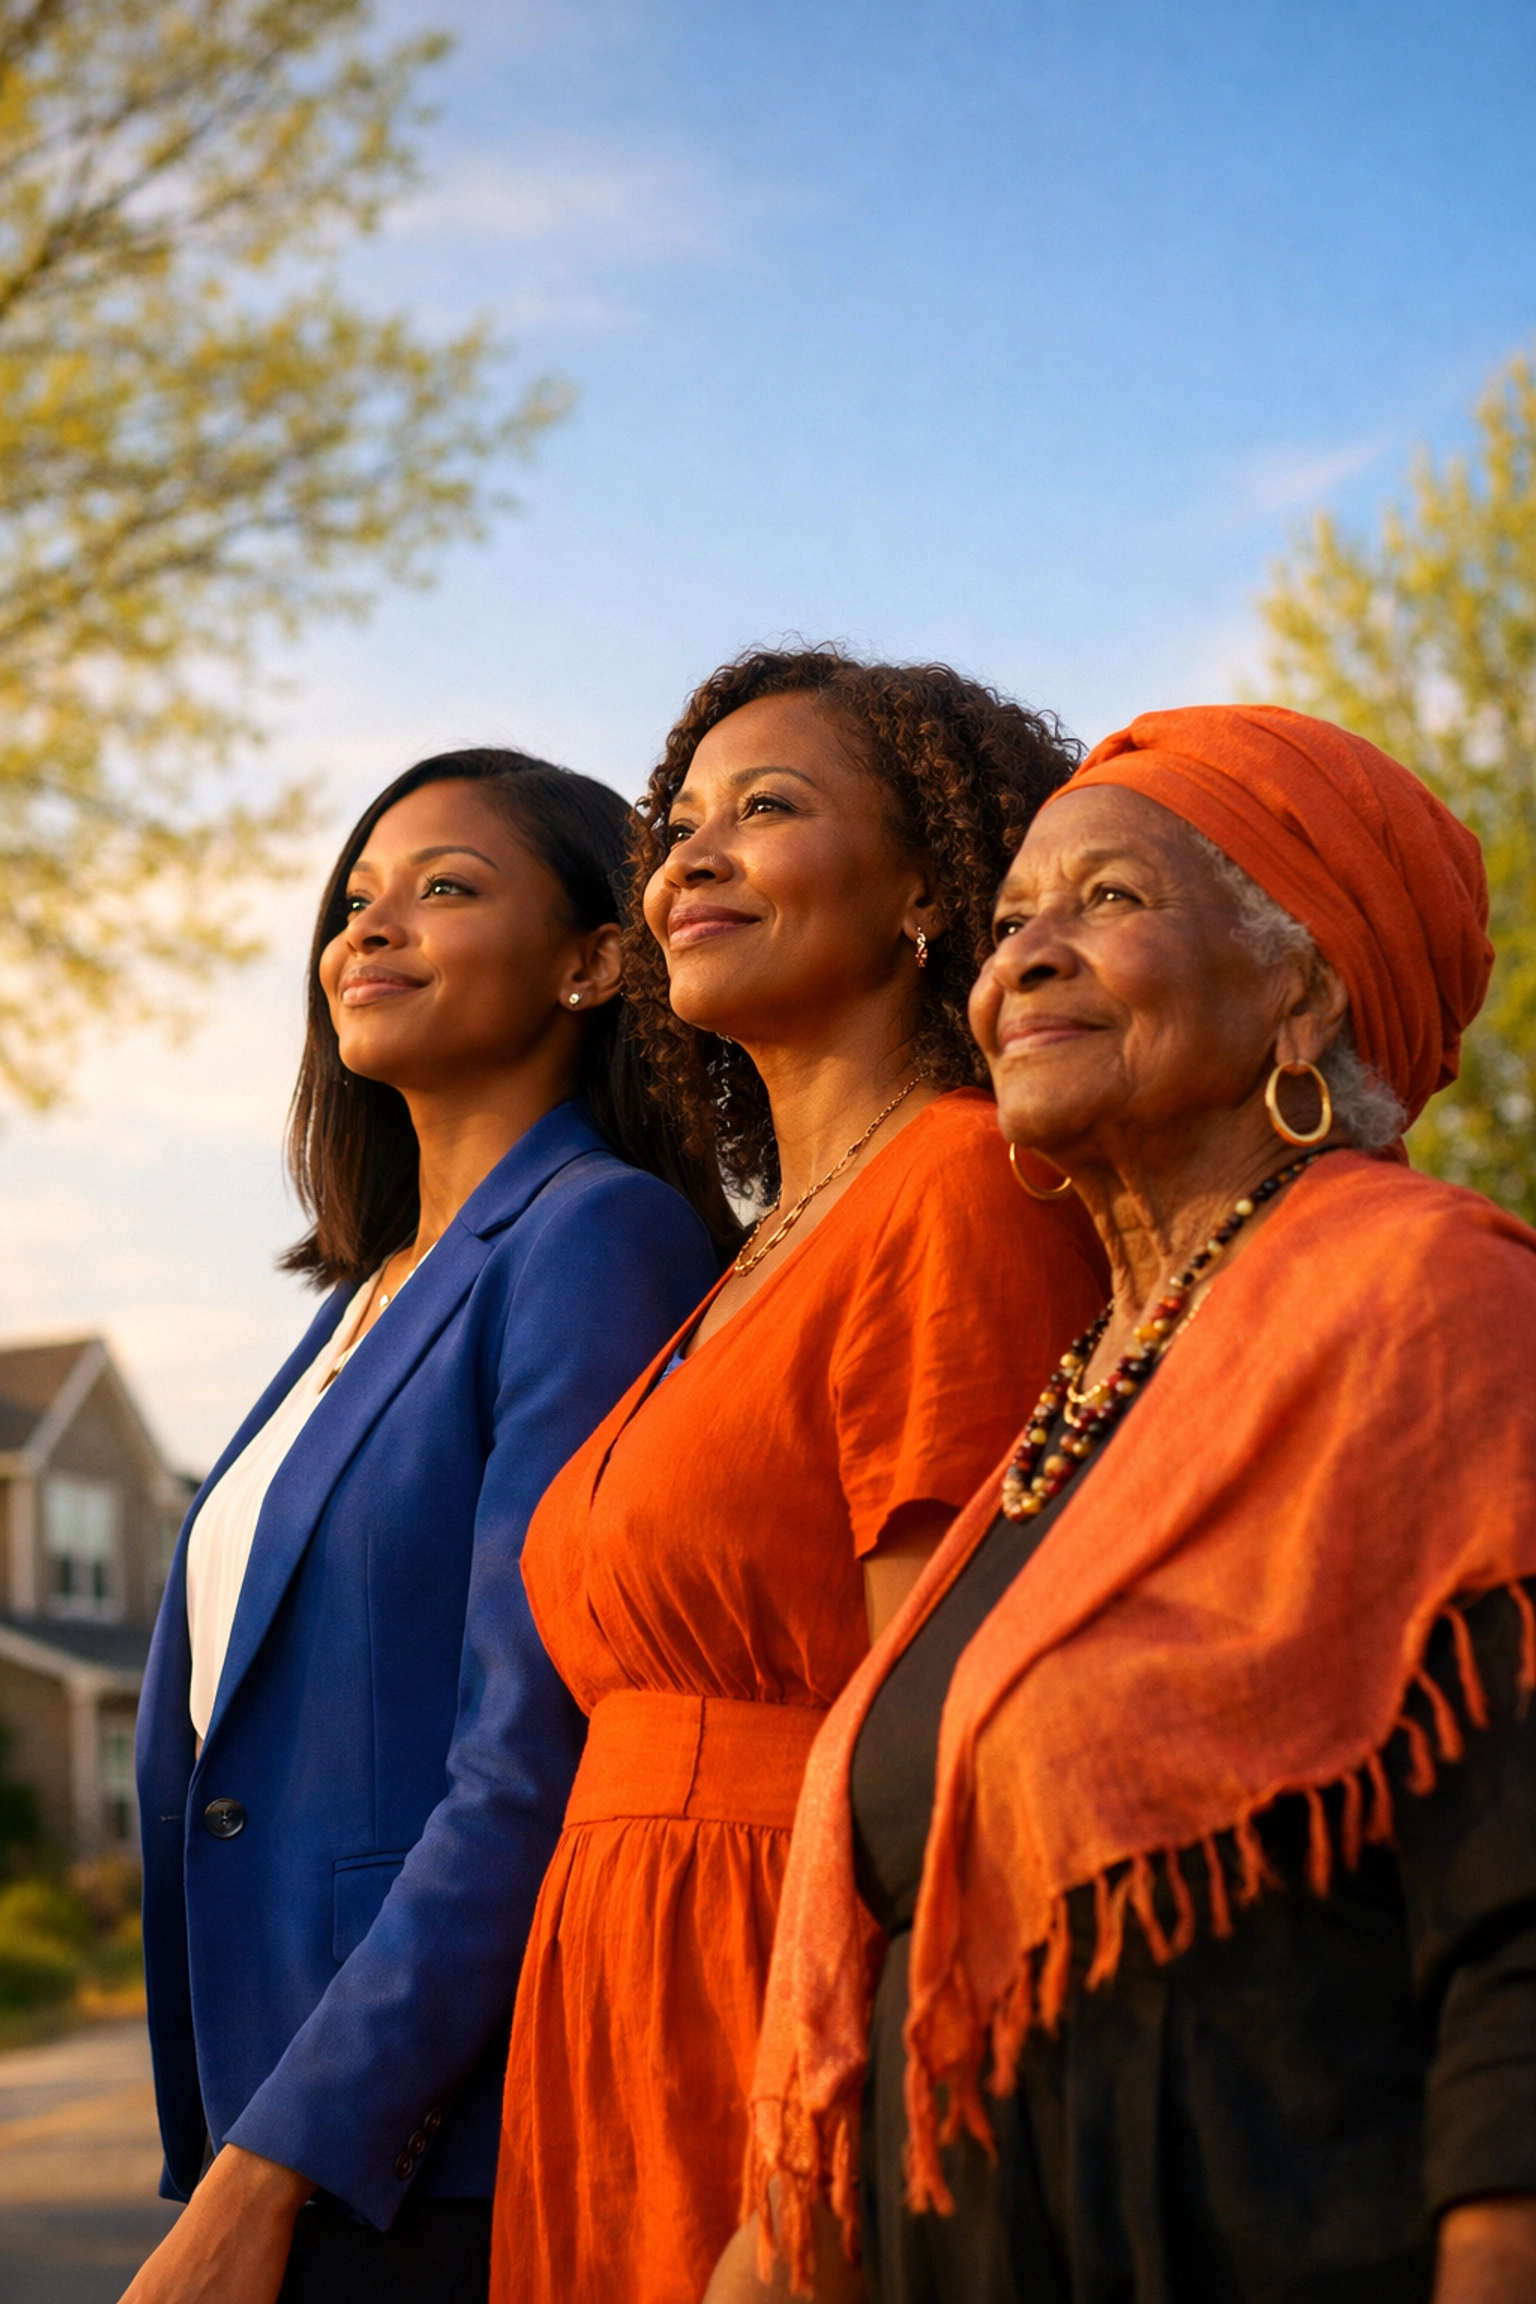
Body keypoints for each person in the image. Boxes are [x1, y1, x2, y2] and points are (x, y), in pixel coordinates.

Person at [734, 704, 1536, 2304]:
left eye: (1111, 902)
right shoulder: (1085, 1395)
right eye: (1016, 919)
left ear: (1298, 995)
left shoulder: (1432, 1306)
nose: (1023, 958)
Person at [487, 646, 1109, 2304]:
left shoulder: (964, 1190)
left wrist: (818, 2161)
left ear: (928, 888)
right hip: (613, 1982)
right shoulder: (747, 1252)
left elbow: (952, 1754)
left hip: (774, 1983)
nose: (691, 853)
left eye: (766, 810)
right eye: (678, 822)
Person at [128, 749, 726, 2304]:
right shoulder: (354, 1300)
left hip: (420, 2147)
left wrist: (288, 2161)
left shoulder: (598, 1237)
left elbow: (528, 1752)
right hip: (268, 2119)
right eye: (355, 899)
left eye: (443, 889)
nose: (366, 930)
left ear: (597, 961)